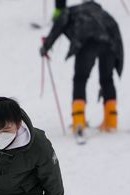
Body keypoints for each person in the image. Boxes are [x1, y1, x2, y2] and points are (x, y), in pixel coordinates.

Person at [40, 1, 123, 135]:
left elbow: (59, 25)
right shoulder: (101, 13)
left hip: (87, 43)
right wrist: (118, 59)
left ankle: (79, 121)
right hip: (109, 44)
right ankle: (111, 121)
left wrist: (46, 47)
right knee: (107, 79)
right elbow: (115, 28)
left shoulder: (70, 12)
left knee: (80, 79)